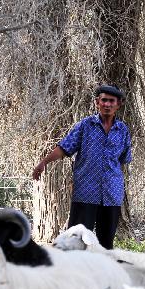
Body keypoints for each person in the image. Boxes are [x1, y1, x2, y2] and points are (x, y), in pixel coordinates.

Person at [31, 84, 132, 250]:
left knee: (106, 243)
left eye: (111, 101)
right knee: (76, 241)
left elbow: (123, 159)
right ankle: (74, 273)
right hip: (85, 191)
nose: (107, 104)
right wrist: (44, 162)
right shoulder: (85, 126)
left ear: (118, 104)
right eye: (104, 100)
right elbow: (65, 148)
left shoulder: (122, 130)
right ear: (96, 103)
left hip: (112, 193)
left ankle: (102, 274)